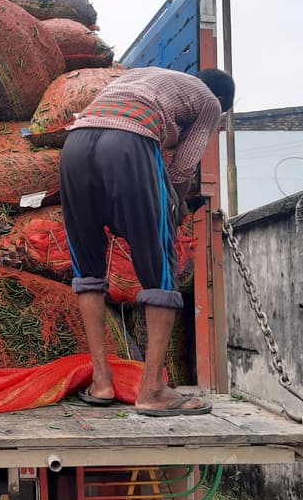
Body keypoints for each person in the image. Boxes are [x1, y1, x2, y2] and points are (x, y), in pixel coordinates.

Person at [60, 66, 234, 416]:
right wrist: (176, 208)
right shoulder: (210, 103)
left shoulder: (146, 79)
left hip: (75, 146)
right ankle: (152, 390)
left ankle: (102, 383)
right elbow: (184, 167)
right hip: (129, 143)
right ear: (222, 101)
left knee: (88, 269)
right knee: (159, 272)